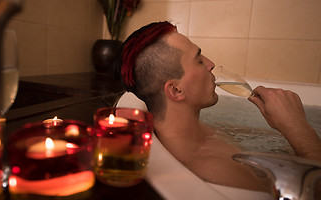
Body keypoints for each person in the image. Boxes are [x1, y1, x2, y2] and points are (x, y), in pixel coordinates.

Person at [113, 21, 321, 192]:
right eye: (199, 60)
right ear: (176, 90)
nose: (211, 63)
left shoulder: (201, 131)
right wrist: (298, 128)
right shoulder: (218, 171)